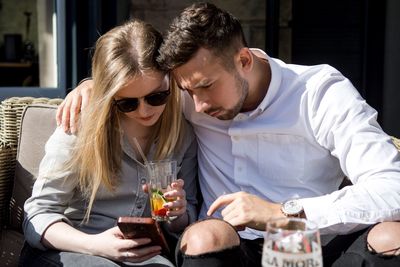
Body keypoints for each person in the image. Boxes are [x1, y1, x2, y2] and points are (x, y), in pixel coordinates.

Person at [57, 2, 400, 266]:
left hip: (300, 243)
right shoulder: (184, 95)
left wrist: (285, 212)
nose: (199, 105)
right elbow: (137, 84)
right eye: (187, 91)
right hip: (224, 246)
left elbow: (393, 187)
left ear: (244, 61)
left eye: (207, 86)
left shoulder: (320, 93)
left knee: (392, 235)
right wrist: (93, 87)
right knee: (205, 235)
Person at [20, 19, 198, 267]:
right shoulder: (81, 127)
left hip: (141, 255)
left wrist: (177, 214)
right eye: (127, 103)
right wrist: (97, 245)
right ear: (109, 94)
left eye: (156, 96)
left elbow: (186, 218)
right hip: (71, 246)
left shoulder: (182, 134)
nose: (145, 111)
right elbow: (37, 215)